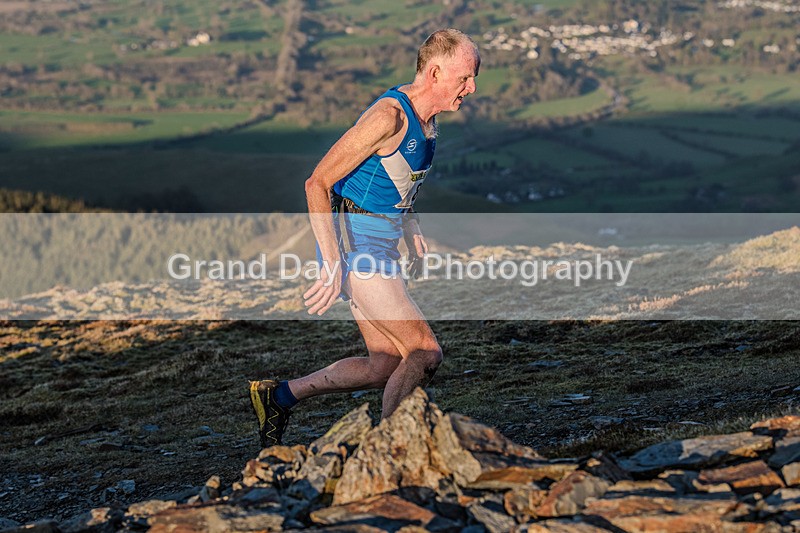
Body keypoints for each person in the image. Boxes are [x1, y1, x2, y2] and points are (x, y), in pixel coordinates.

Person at [249, 28, 480, 448]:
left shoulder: (427, 123)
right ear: (434, 72)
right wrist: (334, 262)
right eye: (465, 77)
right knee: (424, 353)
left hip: (380, 246)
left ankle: (279, 396)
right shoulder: (389, 117)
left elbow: (395, 181)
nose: (473, 87)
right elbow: (317, 182)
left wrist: (410, 226)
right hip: (355, 250)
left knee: (385, 364)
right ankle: (388, 450)